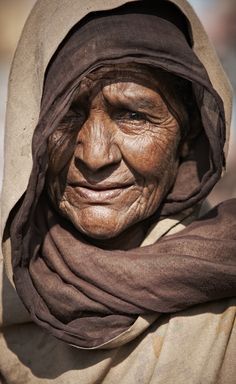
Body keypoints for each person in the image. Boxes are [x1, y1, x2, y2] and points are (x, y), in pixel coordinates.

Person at [0, 0, 236, 383]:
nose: (95, 156)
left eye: (133, 115)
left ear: (188, 131)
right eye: (67, 114)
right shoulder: (6, 295)